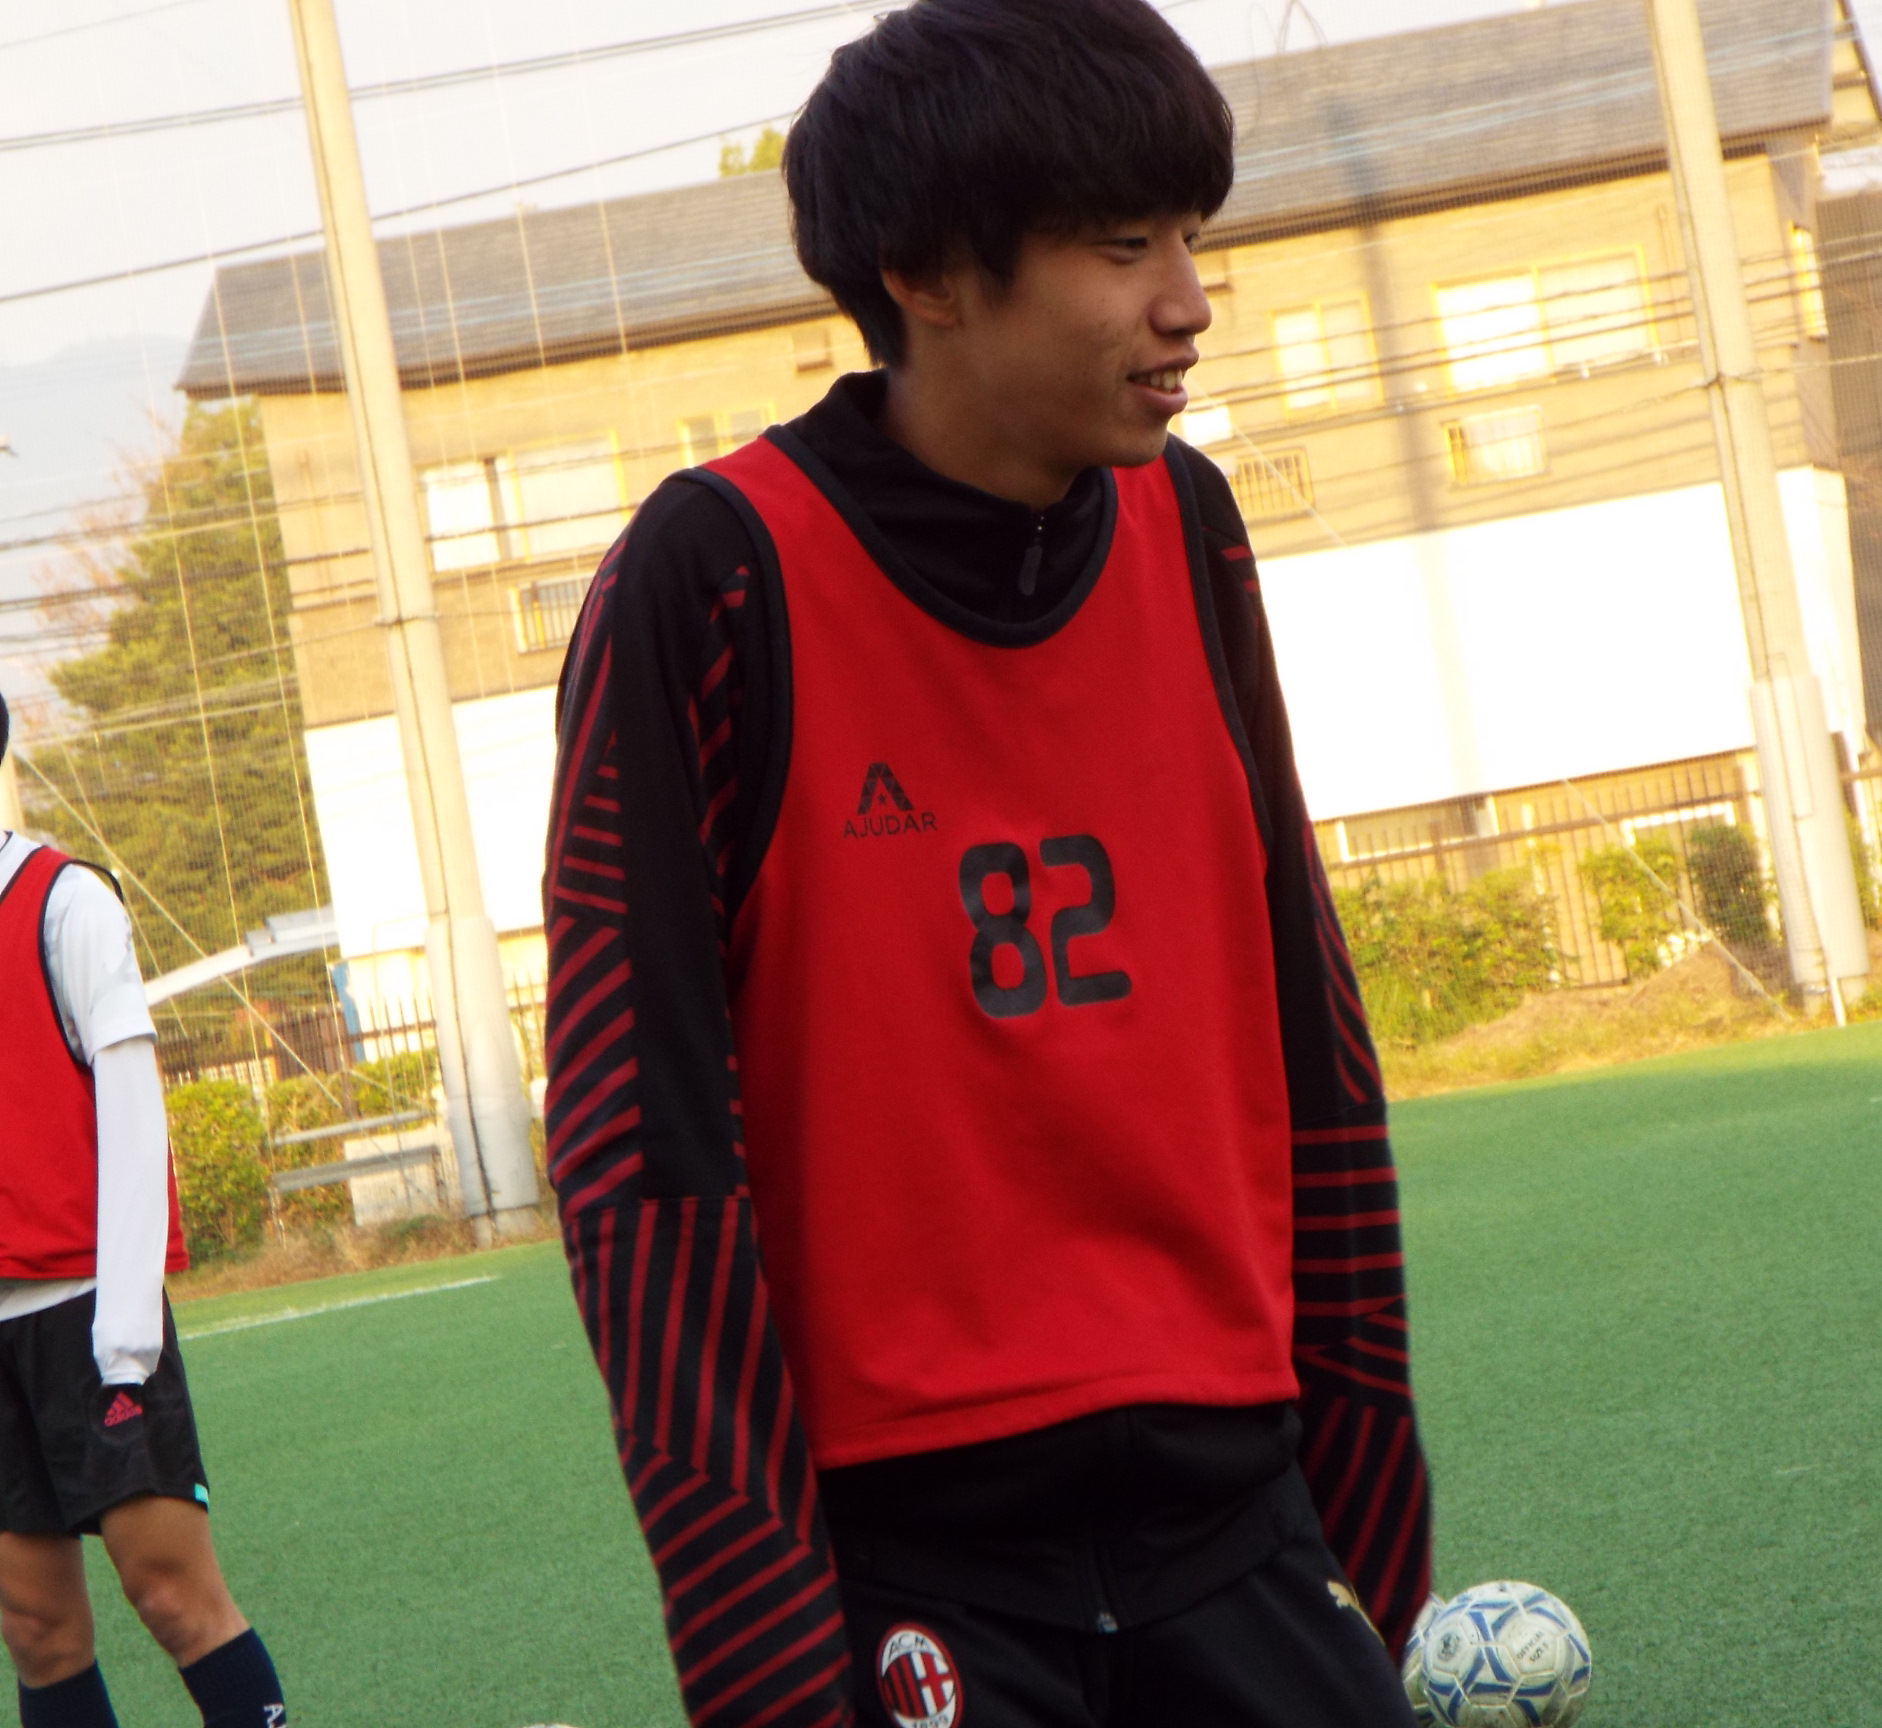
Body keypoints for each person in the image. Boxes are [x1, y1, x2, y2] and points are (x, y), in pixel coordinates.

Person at [542, 3, 1428, 1723]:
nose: (1188, 299)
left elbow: (1307, 1032)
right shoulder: (717, 573)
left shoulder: (1191, 525)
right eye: (1122, 245)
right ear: (928, 275)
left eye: (1191, 238)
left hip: (1238, 1524)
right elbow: (640, 1148)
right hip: (916, 1570)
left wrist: (1364, 1534)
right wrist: (764, 1660)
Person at [0, 696, 287, 1728]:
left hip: (86, 1309)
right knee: (36, 1630)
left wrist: (125, 1340)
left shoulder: (63, 903)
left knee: (171, 1595)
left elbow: (132, 1119)